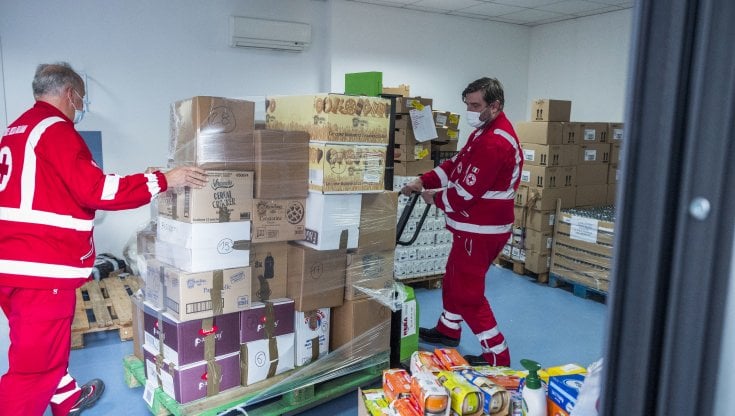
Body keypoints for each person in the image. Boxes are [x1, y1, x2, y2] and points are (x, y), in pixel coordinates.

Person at [0, 62, 208, 415]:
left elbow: (49, 192)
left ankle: (65, 398)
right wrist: (163, 180)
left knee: (43, 345)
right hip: (40, 271)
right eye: (81, 99)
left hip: (14, 264)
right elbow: (98, 191)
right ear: (70, 93)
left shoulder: (17, 130)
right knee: (34, 370)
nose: (81, 106)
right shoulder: (56, 131)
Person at [401, 77, 522, 367]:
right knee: (453, 276)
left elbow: (465, 193)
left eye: (475, 105)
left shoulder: (495, 142)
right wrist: (423, 179)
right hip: (469, 227)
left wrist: (434, 198)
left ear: (495, 106)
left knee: (468, 294)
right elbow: (456, 166)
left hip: (482, 231)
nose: (469, 110)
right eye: (467, 104)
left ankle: (496, 354)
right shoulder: (482, 132)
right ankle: (448, 329)